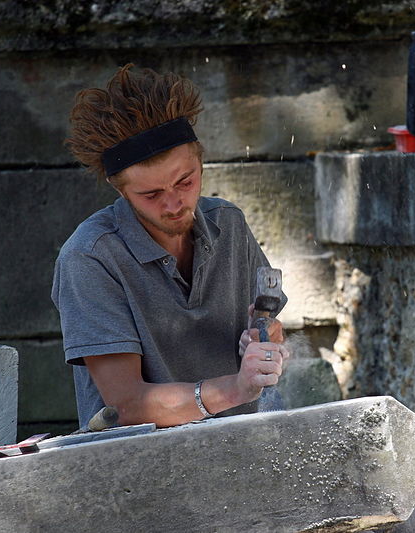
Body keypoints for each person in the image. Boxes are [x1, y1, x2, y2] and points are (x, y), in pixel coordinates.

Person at [51, 64, 288, 428]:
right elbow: (126, 406)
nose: (174, 203)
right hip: (139, 468)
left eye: (185, 181)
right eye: (151, 194)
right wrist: (237, 389)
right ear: (120, 190)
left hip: (244, 447)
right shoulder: (90, 258)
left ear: (201, 164)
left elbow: (266, 321)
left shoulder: (229, 224)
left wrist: (262, 336)